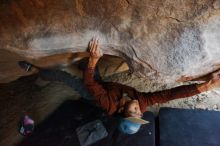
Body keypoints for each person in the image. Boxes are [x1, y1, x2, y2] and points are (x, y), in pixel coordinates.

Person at [19, 38, 220, 135]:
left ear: (122, 111)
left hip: (94, 93)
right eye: (140, 114)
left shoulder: (109, 105)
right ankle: (84, 64)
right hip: (106, 85)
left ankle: (37, 71)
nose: (139, 111)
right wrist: (203, 88)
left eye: (134, 112)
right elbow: (168, 95)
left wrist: (94, 59)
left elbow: (90, 84)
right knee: (86, 67)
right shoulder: (140, 102)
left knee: (65, 77)